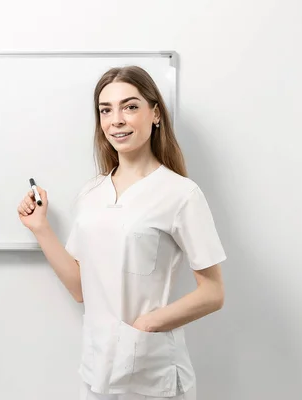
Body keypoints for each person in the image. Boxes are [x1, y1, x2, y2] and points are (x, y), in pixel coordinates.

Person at [17, 66, 226, 400]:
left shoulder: (181, 194)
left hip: (152, 373)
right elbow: (80, 287)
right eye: (105, 110)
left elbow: (213, 292)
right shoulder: (91, 193)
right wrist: (41, 228)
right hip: (96, 370)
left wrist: (147, 326)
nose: (116, 119)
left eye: (130, 106)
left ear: (155, 113)